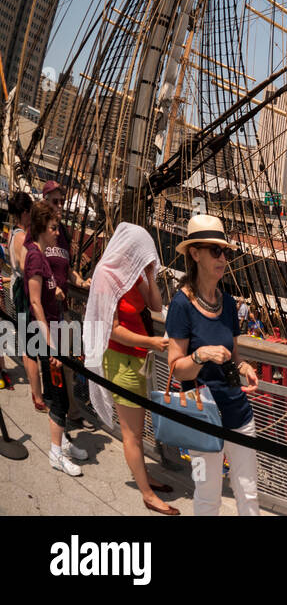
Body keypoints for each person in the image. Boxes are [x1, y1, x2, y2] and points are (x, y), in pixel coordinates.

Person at [165, 215, 260, 515]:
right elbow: (175, 367)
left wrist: (244, 368)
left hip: (237, 410)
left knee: (248, 492)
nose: (223, 258)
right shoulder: (181, 306)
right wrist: (200, 355)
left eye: (226, 252)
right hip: (202, 414)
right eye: (215, 251)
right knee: (207, 496)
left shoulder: (229, 303)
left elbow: (234, 355)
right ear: (195, 254)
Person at [84, 223, 176, 514]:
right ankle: (147, 494)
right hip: (122, 359)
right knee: (132, 433)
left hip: (138, 359)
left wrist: (149, 273)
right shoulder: (106, 276)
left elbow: (156, 307)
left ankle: (144, 477)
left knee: (139, 427)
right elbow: (111, 330)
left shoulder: (133, 274)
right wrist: (150, 341)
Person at [25, 200, 88, 475]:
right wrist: (51, 345)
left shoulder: (42, 256)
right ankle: (55, 452)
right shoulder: (35, 257)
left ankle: (63, 440)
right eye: (52, 227)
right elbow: (36, 302)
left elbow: (48, 293)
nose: (56, 233)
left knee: (59, 391)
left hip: (56, 330)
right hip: (49, 335)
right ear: (41, 227)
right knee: (59, 395)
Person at [8, 192, 43, 409]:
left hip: (15, 287)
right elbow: (25, 267)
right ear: (24, 213)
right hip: (24, 291)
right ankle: (37, 394)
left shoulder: (13, 233)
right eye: (30, 212)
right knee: (31, 345)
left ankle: (35, 389)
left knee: (27, 341)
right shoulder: (21, 237)